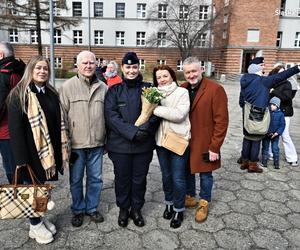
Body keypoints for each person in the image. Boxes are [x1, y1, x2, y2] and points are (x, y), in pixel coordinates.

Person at [7, 55, 69, 244]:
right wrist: (21, 159)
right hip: (29, 154)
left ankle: (39, 219)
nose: (42, 71)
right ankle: (34, 225)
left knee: (41, 189)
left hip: (46, 154)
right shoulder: (20, 94)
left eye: (45, 69)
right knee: (32, 189)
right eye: (38, 68)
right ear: (30, 70)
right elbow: (15, 130)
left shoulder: (49, 92)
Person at [104, 52, 159, 228]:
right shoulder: (114, 91)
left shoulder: (149, 89)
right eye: (128, 67)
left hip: (143, 146)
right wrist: (133, 133)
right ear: (122, 68)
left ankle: (136, 209)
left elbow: (156, 114)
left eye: (134, 67)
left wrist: (145, 130)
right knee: (122, 178)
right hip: (120, 146)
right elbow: (111, 117)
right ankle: (123, 209)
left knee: (139, 179)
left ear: (138, 67)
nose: (131, 70)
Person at [59, 51, 107, 227]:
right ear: (77, 66)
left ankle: (92, 208)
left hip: (97, 143)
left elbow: (108, 116)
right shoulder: (67, 87)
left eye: (91, 63)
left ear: (96, 65)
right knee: (76, 179)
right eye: (84, 63)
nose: (88, 66)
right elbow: (61, 117)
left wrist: (107, 140)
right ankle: (78, 209)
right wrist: (65, 143)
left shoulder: (104, 87)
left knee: (96, 178)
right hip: (76, 144)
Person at [181, 57, 229, 223]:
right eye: (187, 72)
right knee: (187, 170)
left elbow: (221, 121)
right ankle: (190, 196)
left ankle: (204, 202)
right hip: (186, 141)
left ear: (201, 69)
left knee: (205, 175)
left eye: (194, 71)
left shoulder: (215, 89)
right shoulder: (182, 88)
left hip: (205, 142)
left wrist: (215, 147)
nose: (191, 75)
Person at [239, 57, 300, 173]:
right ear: (256, 68)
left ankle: (244, 161)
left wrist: (244, 108)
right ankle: (252, 165)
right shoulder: (263, 81)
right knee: (256, 138)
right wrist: (297, 68)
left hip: (246, 113)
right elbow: (282, 76)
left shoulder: (244, 79)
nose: (264, 67)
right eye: (262, 65)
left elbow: (241, 100)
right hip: (259, 114)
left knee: (247, 137)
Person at [152, 65, 190, 228]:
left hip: (177, 140)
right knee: (166, 176)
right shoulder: (153, 94)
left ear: (172, 76)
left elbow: (179, 115)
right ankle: (169, 203)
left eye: (165, 76)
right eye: (158, 77)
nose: (161, 79)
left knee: (178, 178)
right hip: (161, 142)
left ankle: (179, 209)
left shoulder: (182, 92)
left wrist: (156, 109)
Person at [0, 41, 25, 183]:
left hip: (5, 130)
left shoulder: (3, 74)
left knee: (11, 168)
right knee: (18, 165)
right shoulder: (20, 70)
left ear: (1, 55)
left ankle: (17, 199)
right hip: (19, 127)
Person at [268, 64, 298, 167]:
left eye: (283, 71)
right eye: (280, 72)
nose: (282, 74)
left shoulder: (287, 84)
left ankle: (292, 158)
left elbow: (287, 98)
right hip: (272, 112)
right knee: (270, 132)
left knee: (285, 135)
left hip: (284, 113)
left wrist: (273, 91)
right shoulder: (272, 81)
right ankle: (270, 154)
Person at [261, 97, 285, 169]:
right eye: (271, 104)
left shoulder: (280, 114)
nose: (272, 106)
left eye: (274, 105)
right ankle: (264, 162)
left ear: (277, 106)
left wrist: (277, 133)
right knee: (265, 148)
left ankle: (276, 163)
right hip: (267, 134)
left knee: (275, 149)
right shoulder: (267, 112)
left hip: (275, 135)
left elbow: (282, 125)